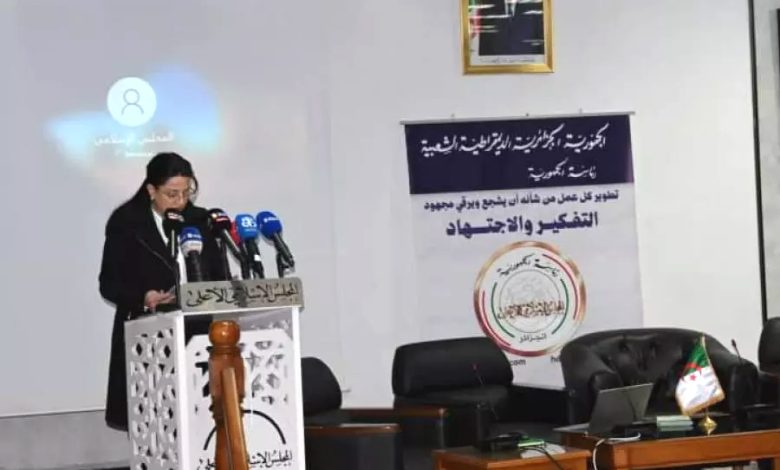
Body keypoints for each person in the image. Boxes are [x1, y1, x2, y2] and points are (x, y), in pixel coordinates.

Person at [99, 152, 225, 431]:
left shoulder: (199, 220)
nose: (180, 201)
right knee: (155, 427)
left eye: (186, 192)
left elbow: (218, 274)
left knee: (201, 426)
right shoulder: (126, 223)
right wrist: (143, 298)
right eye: (171, 194)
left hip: (198, 335)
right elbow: (109, 283)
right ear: (151, 190)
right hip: (148, 339)